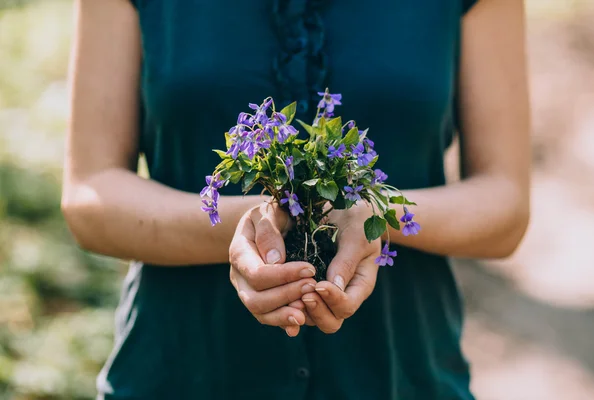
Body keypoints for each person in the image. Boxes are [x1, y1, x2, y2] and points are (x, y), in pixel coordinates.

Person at [61, 0, 530, 398]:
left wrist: (376, 214)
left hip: (400, 373)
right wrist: (255, 226)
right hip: (181, 370)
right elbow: (90, 196)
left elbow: (505, 204)